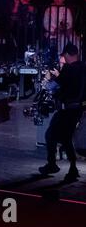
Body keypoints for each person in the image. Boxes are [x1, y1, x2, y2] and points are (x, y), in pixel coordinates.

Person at [39, 43, 86, 182]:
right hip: (78, 109)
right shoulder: (83, 67)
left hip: (68, 109)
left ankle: (57, 165)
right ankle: (69, 168)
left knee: (52, 135)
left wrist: (49, 79)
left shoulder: (68, 69)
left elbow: (57, 87)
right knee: (64, 138)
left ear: (66, 55)